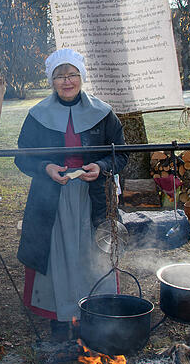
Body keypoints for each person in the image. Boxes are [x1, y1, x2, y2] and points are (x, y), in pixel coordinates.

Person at [15, 49, 127, 341]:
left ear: (81, 77)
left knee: (92, 255)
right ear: (52, 81)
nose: (67, 81)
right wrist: (46, 167)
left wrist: (102, 167)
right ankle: (60, 319)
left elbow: (122, 154)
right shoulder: (37, 116)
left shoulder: (103, 113)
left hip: (93, 197)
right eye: (60, 76)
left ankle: (95, 313)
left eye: (72, 74)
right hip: (52, 199)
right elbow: (22, 157)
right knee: (58, 259)